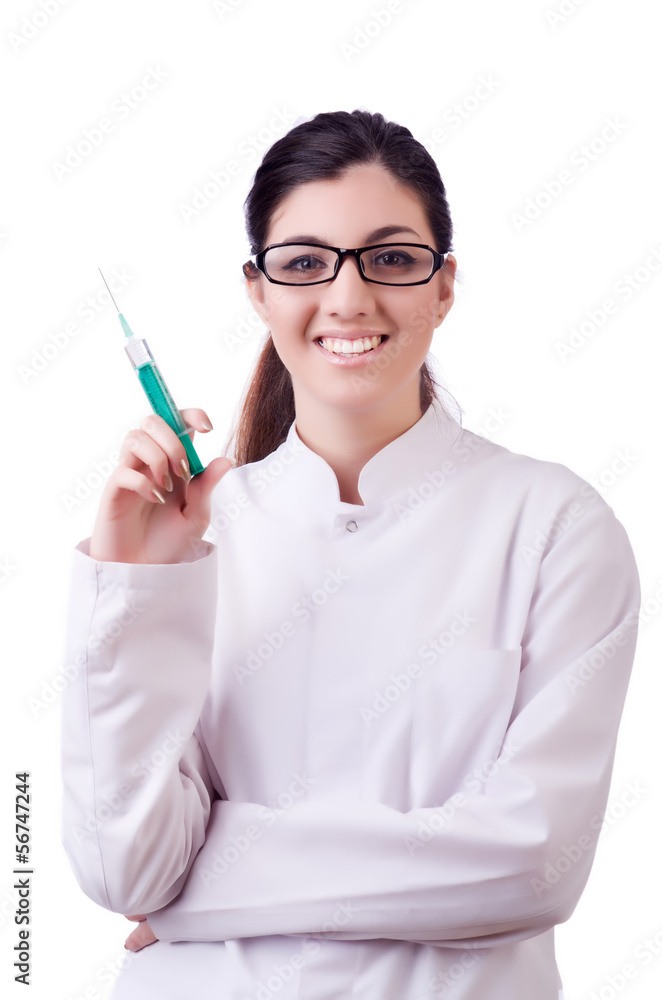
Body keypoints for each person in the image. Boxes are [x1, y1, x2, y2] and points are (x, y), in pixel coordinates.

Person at [60, 109, 640, 1000]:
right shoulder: (193, 540)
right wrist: (136, 589)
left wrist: (195, 898)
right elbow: (126, 870)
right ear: (258, 292)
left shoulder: (554, 525)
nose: (348, 298)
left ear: (444, 287)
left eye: (393, 258)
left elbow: (532, 864)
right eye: (304, 263)